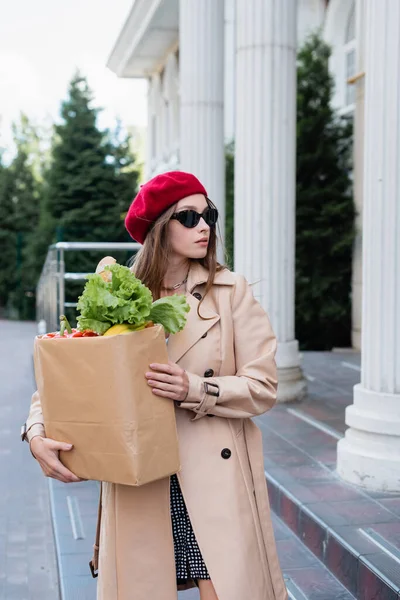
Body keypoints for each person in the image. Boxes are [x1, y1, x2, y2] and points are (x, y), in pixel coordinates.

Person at [22, 171, 288, 600]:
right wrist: (36, 434)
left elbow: (264, 384)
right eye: (189, 217)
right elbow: (66, 377)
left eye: (210, 216)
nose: (204, 226)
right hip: (140, 474)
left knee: (223, 588)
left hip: (211, 470)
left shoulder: (231, 292)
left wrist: (196, 390)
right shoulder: (117, 295)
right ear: (160, 227)